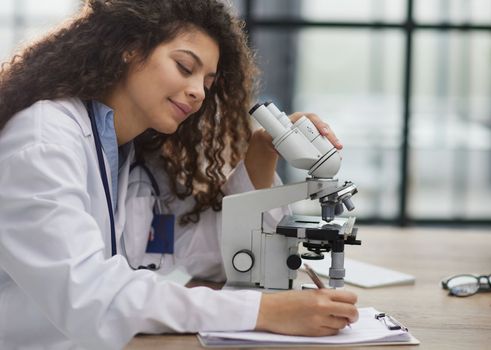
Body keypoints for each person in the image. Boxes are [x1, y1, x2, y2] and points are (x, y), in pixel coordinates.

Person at [0, 0, 358, 349]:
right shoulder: (43, 139)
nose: (198, 91)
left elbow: (206, 254)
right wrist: (263, 312)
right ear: (130, 48)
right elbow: (89, 293)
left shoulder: (131, 157)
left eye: (208, 81)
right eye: (185, 67)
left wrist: (262, 152)